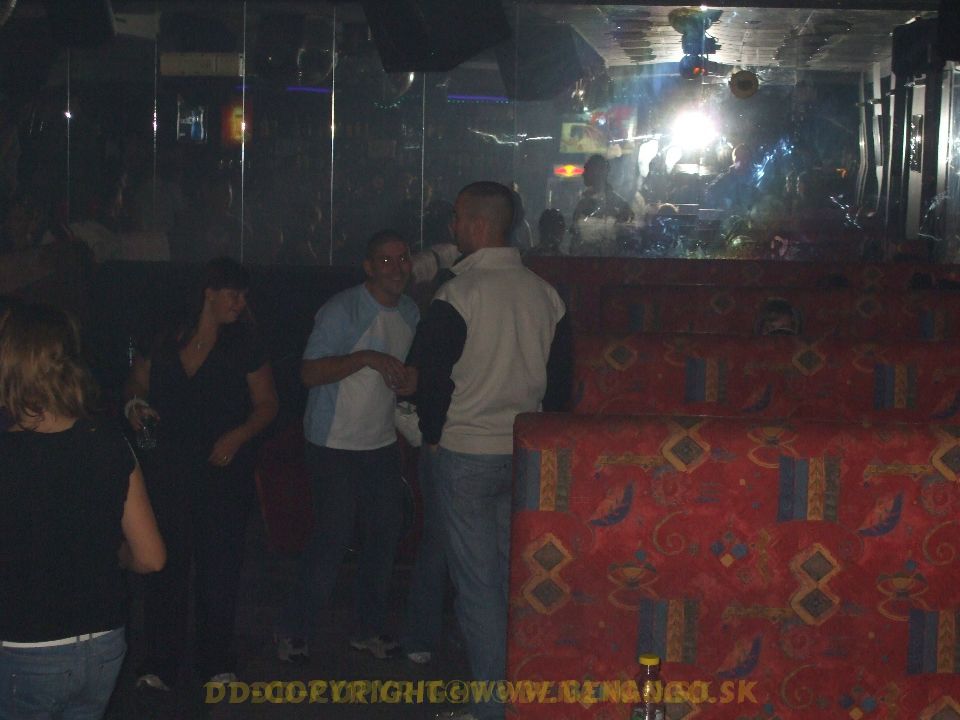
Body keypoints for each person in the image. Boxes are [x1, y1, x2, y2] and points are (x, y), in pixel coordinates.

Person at [411, 181, 570, 720]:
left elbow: (429, 380)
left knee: (477, 587)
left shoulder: (458, 294)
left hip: (466, 453)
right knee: (510, 581)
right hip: (525, 453)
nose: (453, 228)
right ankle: (512, 695)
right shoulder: (545, 294)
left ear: (478, 225)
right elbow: (561, 387)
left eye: (458, 219)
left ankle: (492, 706)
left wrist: (433, 437)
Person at [0, 303, 165, 719]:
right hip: (103, 645)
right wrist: (113, 553)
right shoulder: (108, 442)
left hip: (24, 648)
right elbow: (150, 556)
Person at [124, 257, 278, 692]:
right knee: (165, 567)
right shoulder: (165, 336)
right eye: (233, 293)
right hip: (168, 470)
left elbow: (268, 404)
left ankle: (215, 661)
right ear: (209, 292)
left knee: (219, 571)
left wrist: (238, 435)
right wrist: (134, 405)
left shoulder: (245, 342)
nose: (240, 302)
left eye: (244, 295)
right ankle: (159, 663)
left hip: (222, 473)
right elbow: (136, 383)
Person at [276, 229, 419, 663]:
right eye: (386, 260)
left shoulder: (411, 311)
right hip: (333, 442)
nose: (396, 268)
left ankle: (368, 630)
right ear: (368, 267)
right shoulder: (343, 309)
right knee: (333, 537)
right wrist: (366, 357)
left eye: (402, 258)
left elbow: (410, 373)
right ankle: (294, 631)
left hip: (380, 441)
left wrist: (411, 381)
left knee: (384, 536)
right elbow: (308, 373)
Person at [569, 154, 634, 256]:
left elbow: (626, 236)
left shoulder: (619, 204)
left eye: (586, 170)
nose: (583, 174)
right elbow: (573, 237)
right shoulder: (582, 202)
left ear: (597, 172)